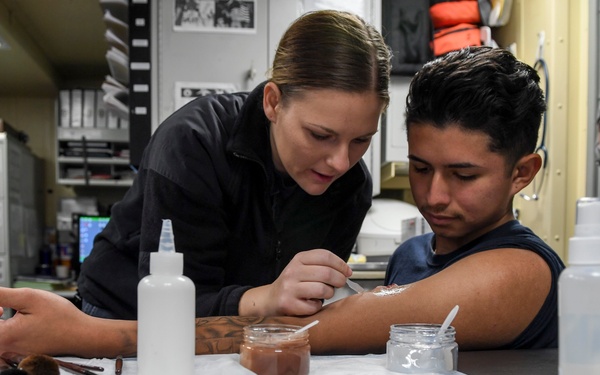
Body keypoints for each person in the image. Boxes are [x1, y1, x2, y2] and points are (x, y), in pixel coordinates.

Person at [0, 46, 565, 358]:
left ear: (523, 172)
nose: (434, 195)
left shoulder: (521, 271)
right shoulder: (412, 257)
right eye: (420, 168)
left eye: (463, 174)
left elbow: (297, 333)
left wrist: (83, 335)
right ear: (272, 103)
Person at [76, 9, 392, 320]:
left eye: (360, 140)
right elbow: (172, 306)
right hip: (122, 315)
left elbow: (309, 301)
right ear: (273, 102)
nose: (340, 163)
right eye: (321, 135)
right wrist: (269, 297)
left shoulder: (352, 186)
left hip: (249, 325)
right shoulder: (193, 143)